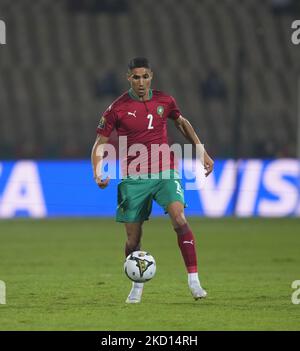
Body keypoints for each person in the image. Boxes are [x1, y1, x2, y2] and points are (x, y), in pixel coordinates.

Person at [91, 57, 214, 303]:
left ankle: (194, 282)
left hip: (165, 171)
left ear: (151, 76)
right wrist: (97, 171)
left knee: (179, 218)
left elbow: (181, 123)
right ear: (129, 78)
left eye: (145, 76)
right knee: (133, 239)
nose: (141, 82)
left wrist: (201, 152)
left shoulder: (164, 101)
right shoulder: (116, 109)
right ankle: (136, 287)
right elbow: (100, 143)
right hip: (133, 178)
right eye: (135, 77)